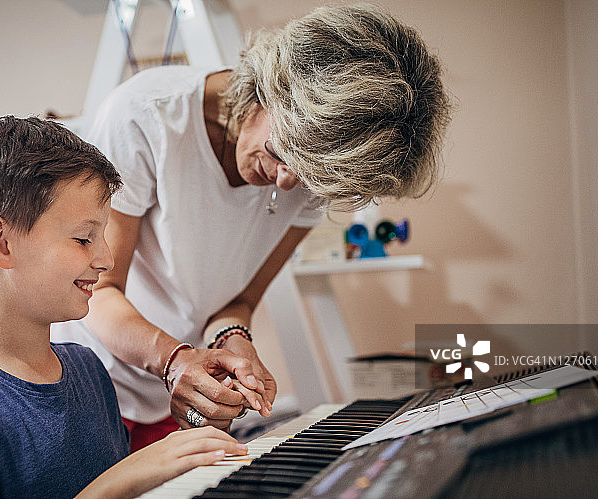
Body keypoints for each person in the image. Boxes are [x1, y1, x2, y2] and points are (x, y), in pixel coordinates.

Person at [51, 2, 452, 451]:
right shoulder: (147, 118)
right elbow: (100, 291)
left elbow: (238, 299)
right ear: (270, 88)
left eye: (310, 178)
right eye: (284, 153)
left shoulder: (314, 171)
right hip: (87, 379)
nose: (286, 182)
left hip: (173, 393)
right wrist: (173, 359)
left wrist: (232, 337)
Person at [0, 116, 247, 499]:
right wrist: (126, 476)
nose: (106, 260)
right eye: (83, 238)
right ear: (0, 242)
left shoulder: (87, 369)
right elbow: (116, 486)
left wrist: (198, 437)